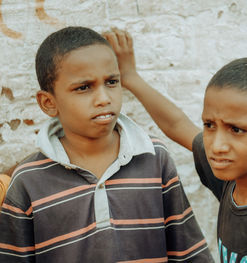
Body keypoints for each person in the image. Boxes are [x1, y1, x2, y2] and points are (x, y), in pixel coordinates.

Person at [0, 26, 214, 263]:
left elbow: (189, 253)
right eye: (83, 87)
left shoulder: (153, 158)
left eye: (111, 82)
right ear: (49, 102)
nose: (104, 98)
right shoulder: (28, 180)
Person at [104, 29, 247, 263]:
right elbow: (177, 124)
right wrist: (130, 77)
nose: (216, 146)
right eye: (209, 125)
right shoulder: (229, 182)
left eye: (236, 130)